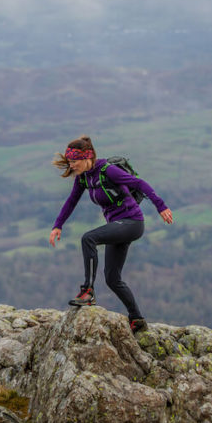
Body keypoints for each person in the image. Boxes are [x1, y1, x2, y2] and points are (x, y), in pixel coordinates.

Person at [49, 136, 174, 333]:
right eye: (70, 161)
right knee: (112, 278)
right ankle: (137, 319)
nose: (71, 165)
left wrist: (161, 206)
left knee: (88, 238)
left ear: (87, 157)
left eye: (74, 161)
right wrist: (58, 225)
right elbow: (71, 201)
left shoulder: (108, 171)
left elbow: (140, 184)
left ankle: (87, 291)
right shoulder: (84, 177)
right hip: (118, 225)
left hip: (132, 222)